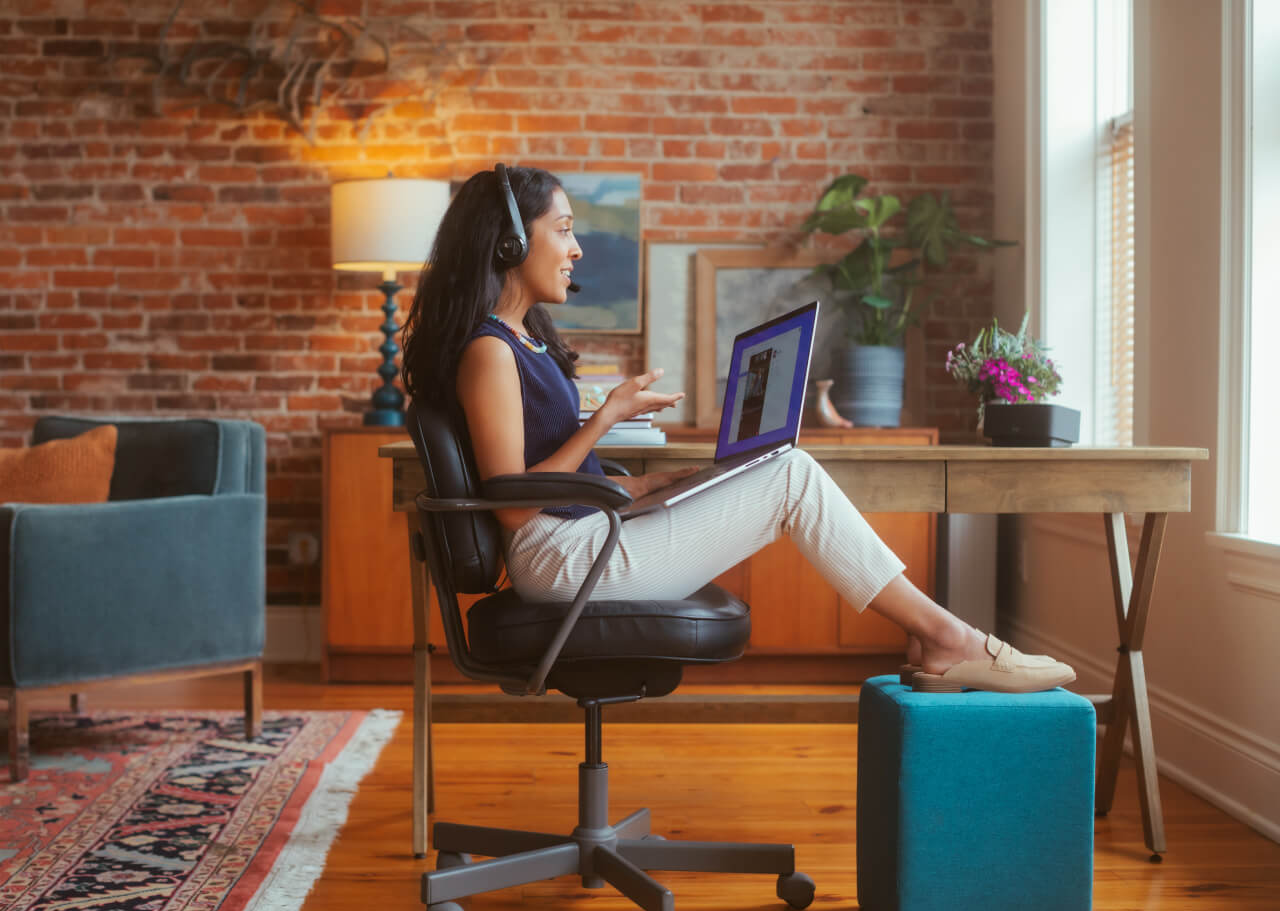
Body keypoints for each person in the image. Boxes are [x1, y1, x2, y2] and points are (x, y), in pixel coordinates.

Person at [400, 164, 1076, 694]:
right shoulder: (489, 352)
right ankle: (946, 637)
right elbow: (515, 506)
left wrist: (655, 487)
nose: (576, 248)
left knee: (768, 469)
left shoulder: (526, 341)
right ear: (512, 243)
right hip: (561, 560)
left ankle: (941, 636)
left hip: (581, 538)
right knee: (791, 476)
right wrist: (603, 419)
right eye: (564, 229)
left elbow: (554, 480)